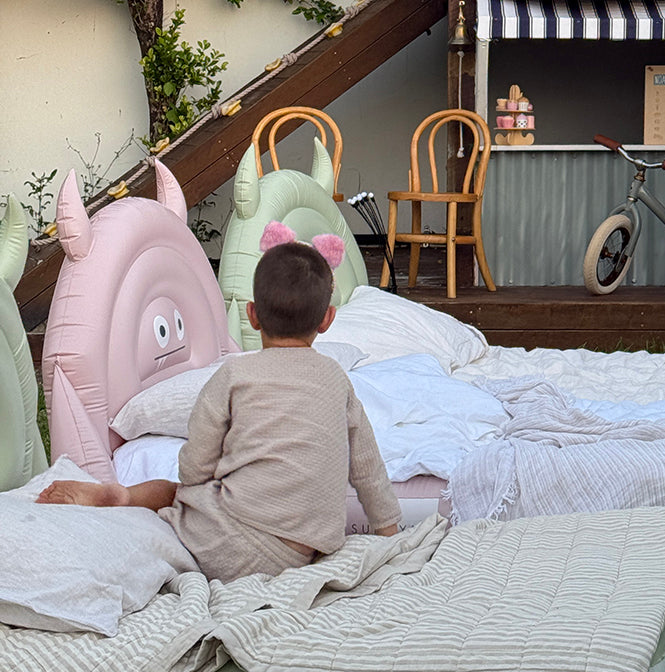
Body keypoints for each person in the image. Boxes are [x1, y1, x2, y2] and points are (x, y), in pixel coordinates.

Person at [37, 240, 400, 582]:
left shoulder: (234, 375)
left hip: (224, 545)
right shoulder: (337, 379)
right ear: (327, 319)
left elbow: (195, 466)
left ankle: (123, 498)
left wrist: (202, 485)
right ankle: (131, 501)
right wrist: (390, 538)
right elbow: (368, 469)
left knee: (174, 492)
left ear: (252, 315)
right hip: (301, 551)